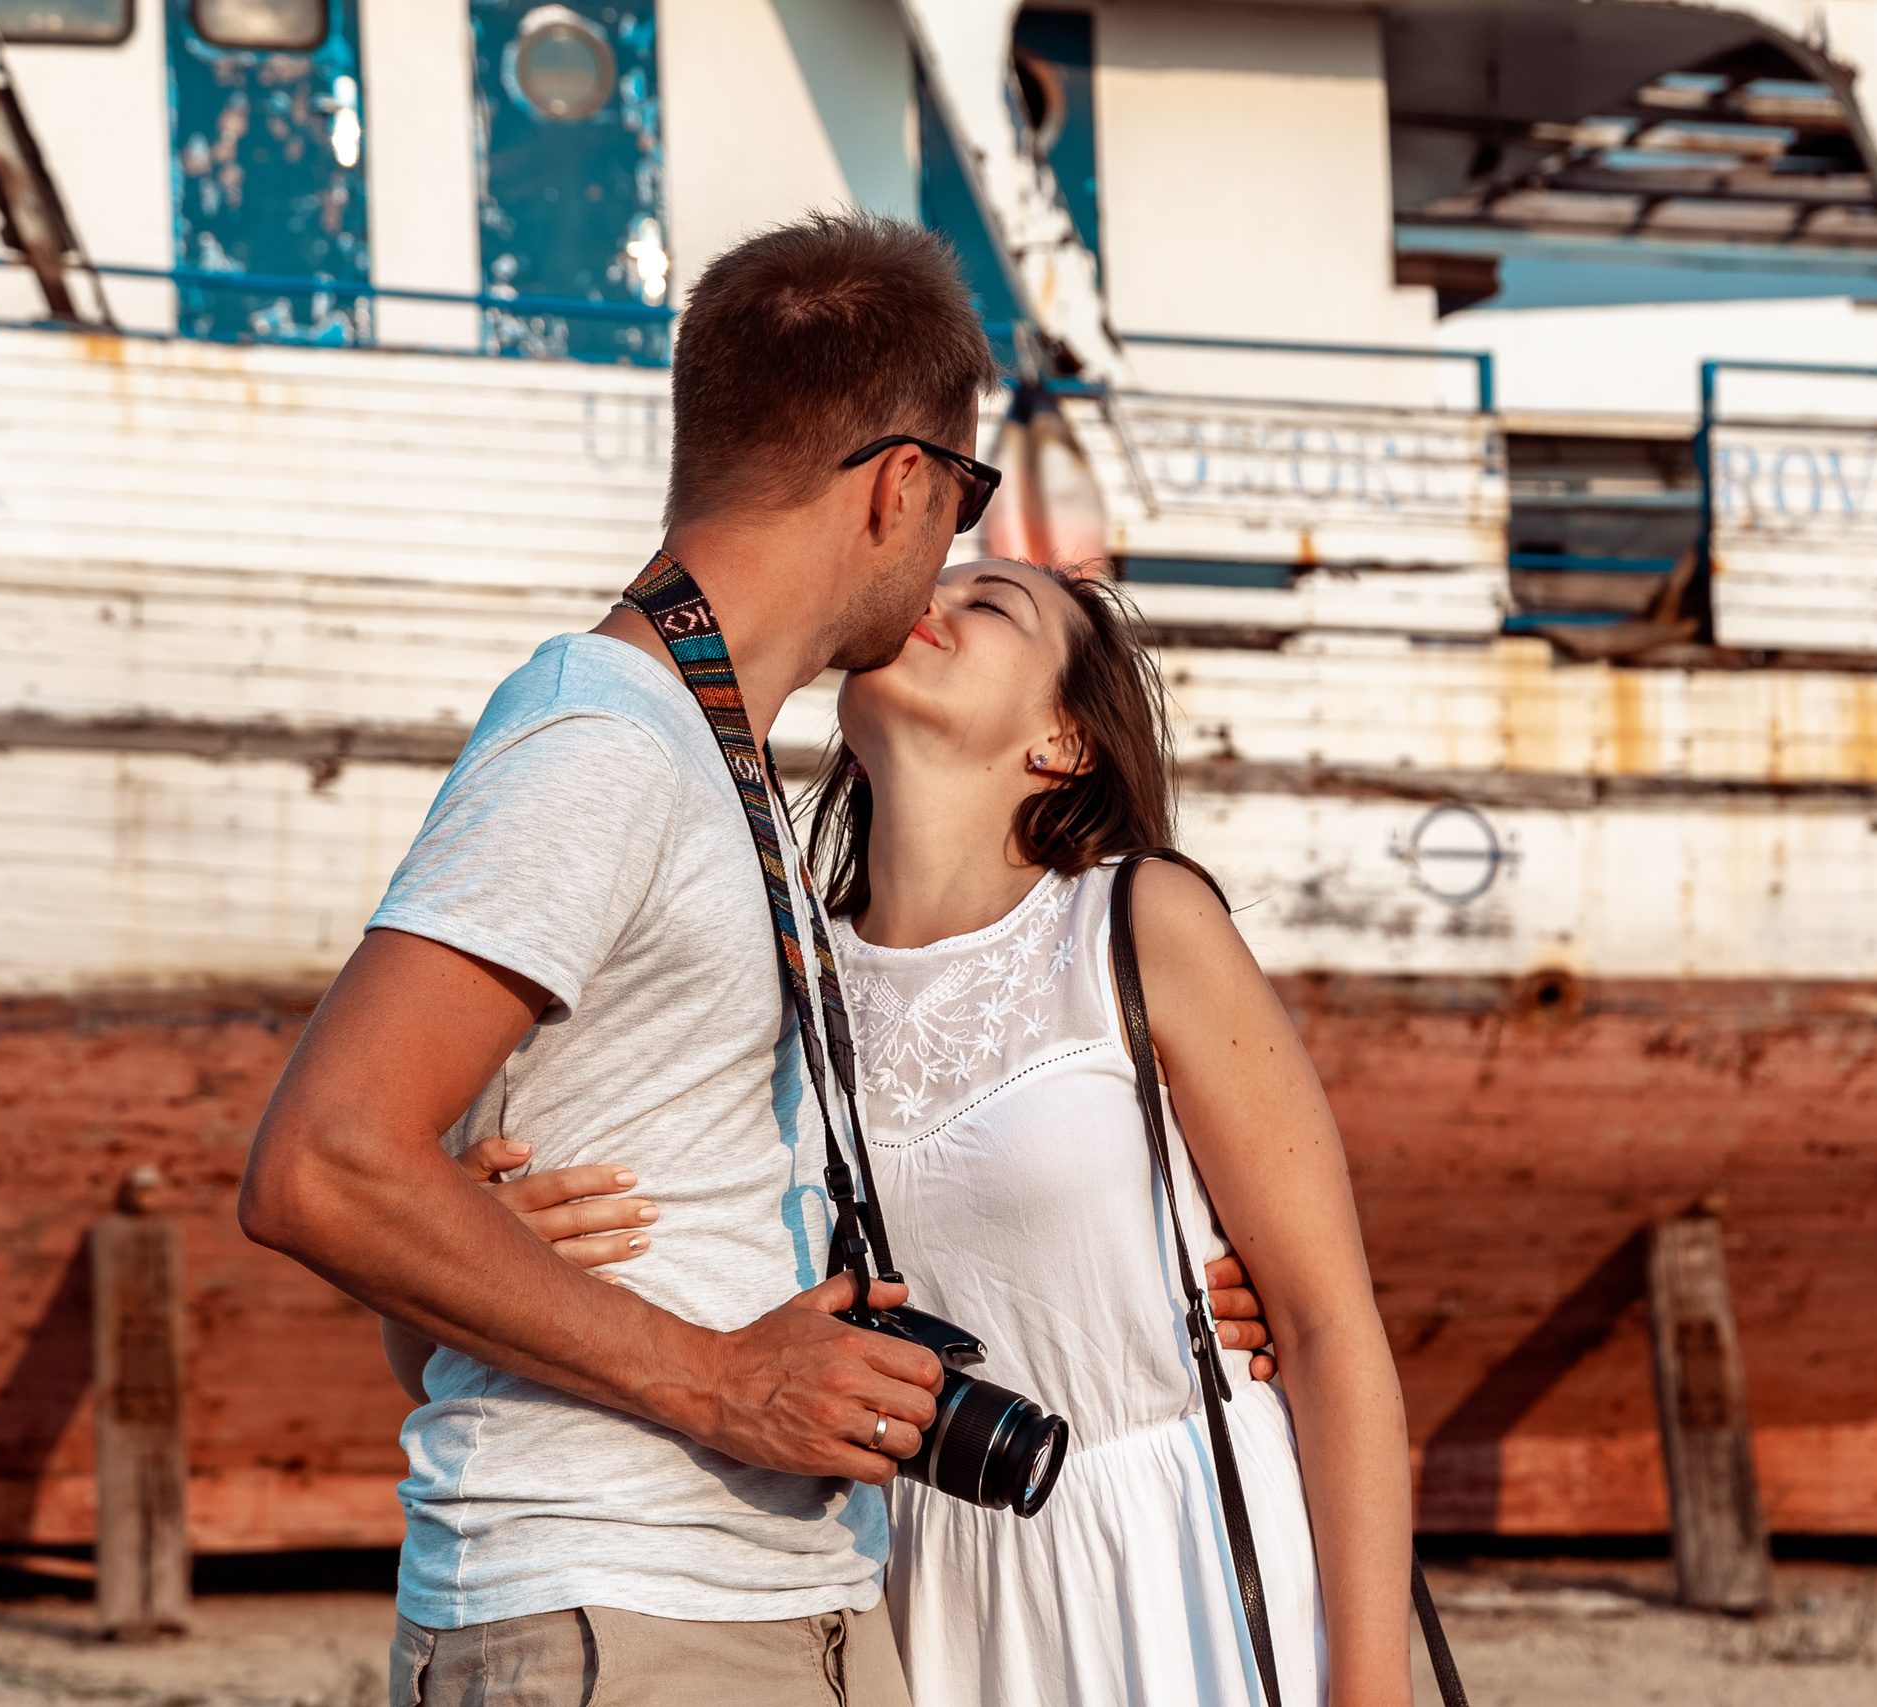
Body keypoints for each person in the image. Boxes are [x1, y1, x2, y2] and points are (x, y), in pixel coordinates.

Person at [240, 212, 1275, 1707]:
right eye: (961, 507)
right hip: (626, 1607)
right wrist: (717, 1378)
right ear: (904, 482)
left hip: (764, 1605)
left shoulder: (714, 768)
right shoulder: (603, 738)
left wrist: (1170, 1275)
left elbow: (451, 1280)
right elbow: (319, 1163)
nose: (943, 568)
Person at [451, 558, 1418, 1707]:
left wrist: (1371, 1692)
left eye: (989, 605)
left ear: (1062, 741)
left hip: (1174, 1544)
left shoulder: (1137, 919)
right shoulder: (780, 976)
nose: (934, 602)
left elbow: (1324, 1327)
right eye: (935, 584)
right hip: (914, 1588)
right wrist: (474, 1232)